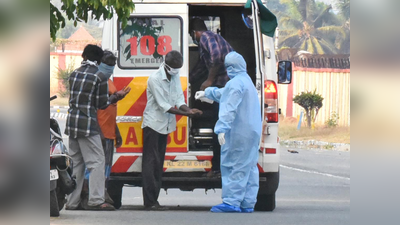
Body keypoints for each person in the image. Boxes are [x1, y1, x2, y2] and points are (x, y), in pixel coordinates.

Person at [195, 52, 262, 213]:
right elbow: (225, 93)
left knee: (234, 165)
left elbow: (229, 107)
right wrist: (208, 93)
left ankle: (231, 202)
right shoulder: (246, 82)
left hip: (239, 133)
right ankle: (247, 202)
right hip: (252, 132)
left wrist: (221, 129)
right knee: (249, 166)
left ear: (229, 67)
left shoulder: (235, 84)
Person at [141, 50, 203, 210]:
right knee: (151, 164)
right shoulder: (155, 79)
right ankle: (149, 202)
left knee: (158, 163)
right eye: (175, 68)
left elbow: (178, 99)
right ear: (167, 66)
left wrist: (188, 109)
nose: (177, 71)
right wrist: (187, 114)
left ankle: (154, 201)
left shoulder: (174, 76)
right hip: (153, 124)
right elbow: (164, 106)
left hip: (165, 126)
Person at [65, 44, 115, 211]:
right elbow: (101, 104)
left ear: (84, 56)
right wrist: (113, 98)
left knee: (76, 163)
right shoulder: (99, 77)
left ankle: (72, 202)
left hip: (72, 124)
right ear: (99, 60)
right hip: (87, 125)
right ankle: (96, 199)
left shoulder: (74, 74)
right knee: (97, 162)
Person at [81, 50, 131, 207]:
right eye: (108, 64)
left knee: (106, 168)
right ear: (100, 64)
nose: (111, 68)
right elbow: (94, 109)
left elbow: (110, 110)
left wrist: (116, 132)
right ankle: (89, 197)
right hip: (99, 133)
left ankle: (101, 195)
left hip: (109, 134)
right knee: (94, 167)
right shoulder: (98, 81)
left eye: (113, 65)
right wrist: (99, 132)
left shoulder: (109, 82)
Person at [189, 18, 234, 178]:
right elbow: (202, 66)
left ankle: (217, 169)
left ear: (195, 33)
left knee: (219, 128)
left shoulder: (206, 37)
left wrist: (208, 81)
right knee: (216, 120)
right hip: (221, 86)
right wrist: (188, 79)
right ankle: (218, 168)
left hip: (225, 85)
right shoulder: (208, 42)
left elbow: (216, 58)